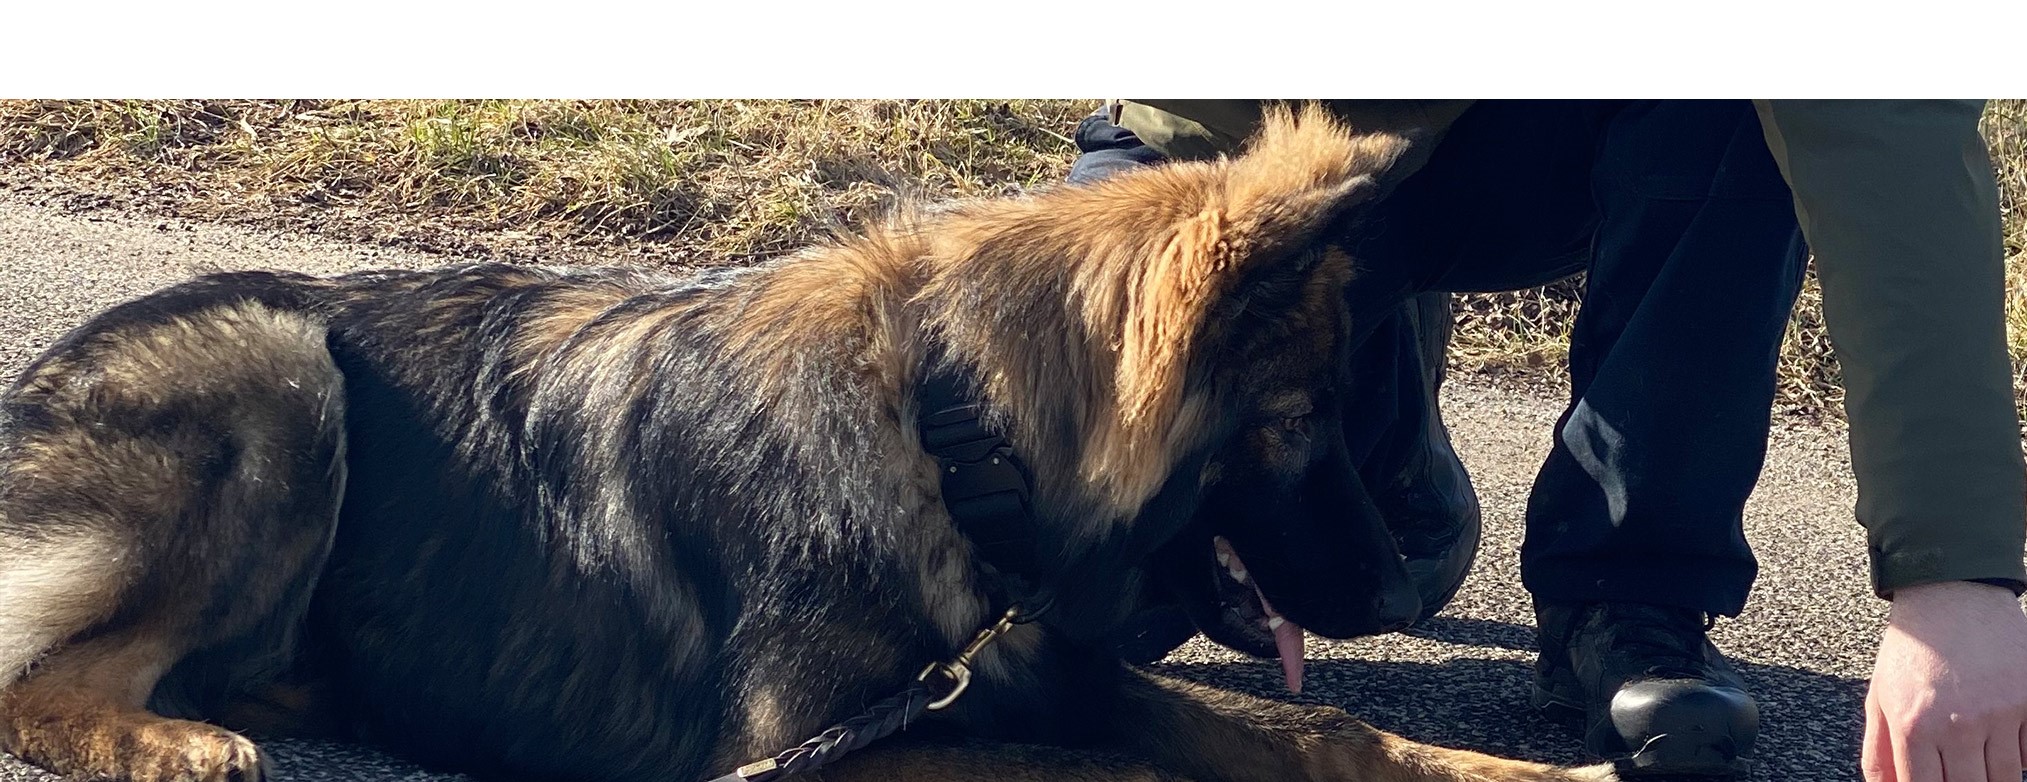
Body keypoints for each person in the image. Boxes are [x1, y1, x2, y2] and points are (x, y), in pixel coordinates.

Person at [1074, 100, 2027, 781]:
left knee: (1728, 111)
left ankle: (1628, 586)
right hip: (1313, 132)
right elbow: (1184, 137)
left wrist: (1956, 582)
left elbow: (1888, 149)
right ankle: (1381, 442)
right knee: (1087, 595)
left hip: (1595, 131)